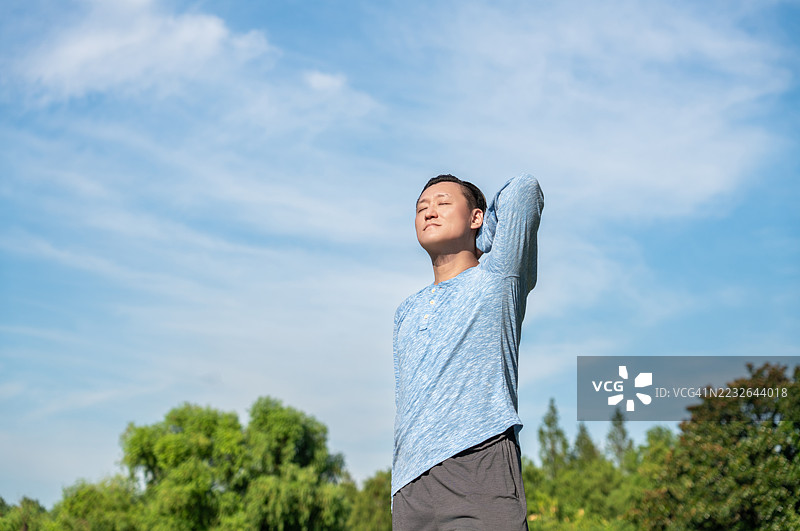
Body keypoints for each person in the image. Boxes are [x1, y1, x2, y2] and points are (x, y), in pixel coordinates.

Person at [392, 173, 544, 530]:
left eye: (443, 204)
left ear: (476, 217)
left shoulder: (498, 277)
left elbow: (524, 189)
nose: (429, 213)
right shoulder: (405, 311)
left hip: (478, 462)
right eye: (421, 208)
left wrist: (480, 241)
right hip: (410, 483)